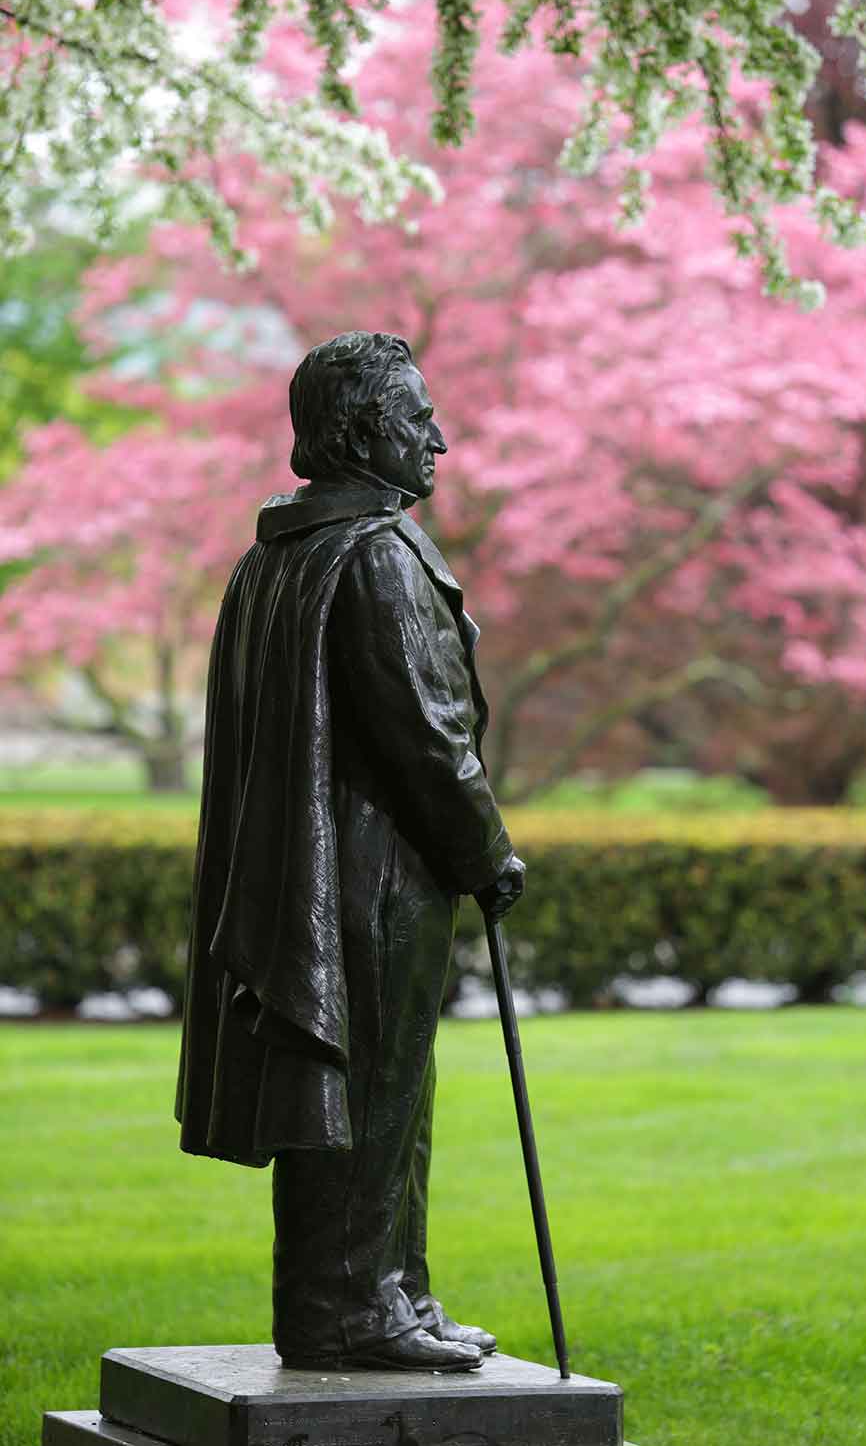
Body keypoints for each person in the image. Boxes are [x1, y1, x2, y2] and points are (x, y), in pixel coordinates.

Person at [175, 330, 525, 1373]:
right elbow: (425, 734)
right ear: (368, 430)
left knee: (372, 1091)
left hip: (320, 872)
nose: (441, 441)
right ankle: (354, 1307)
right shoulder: (370, 551)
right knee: (373, 1089)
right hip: (373, 876)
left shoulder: (274, 557)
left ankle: (387, 1293)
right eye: (420, 422)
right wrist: (486, 852)